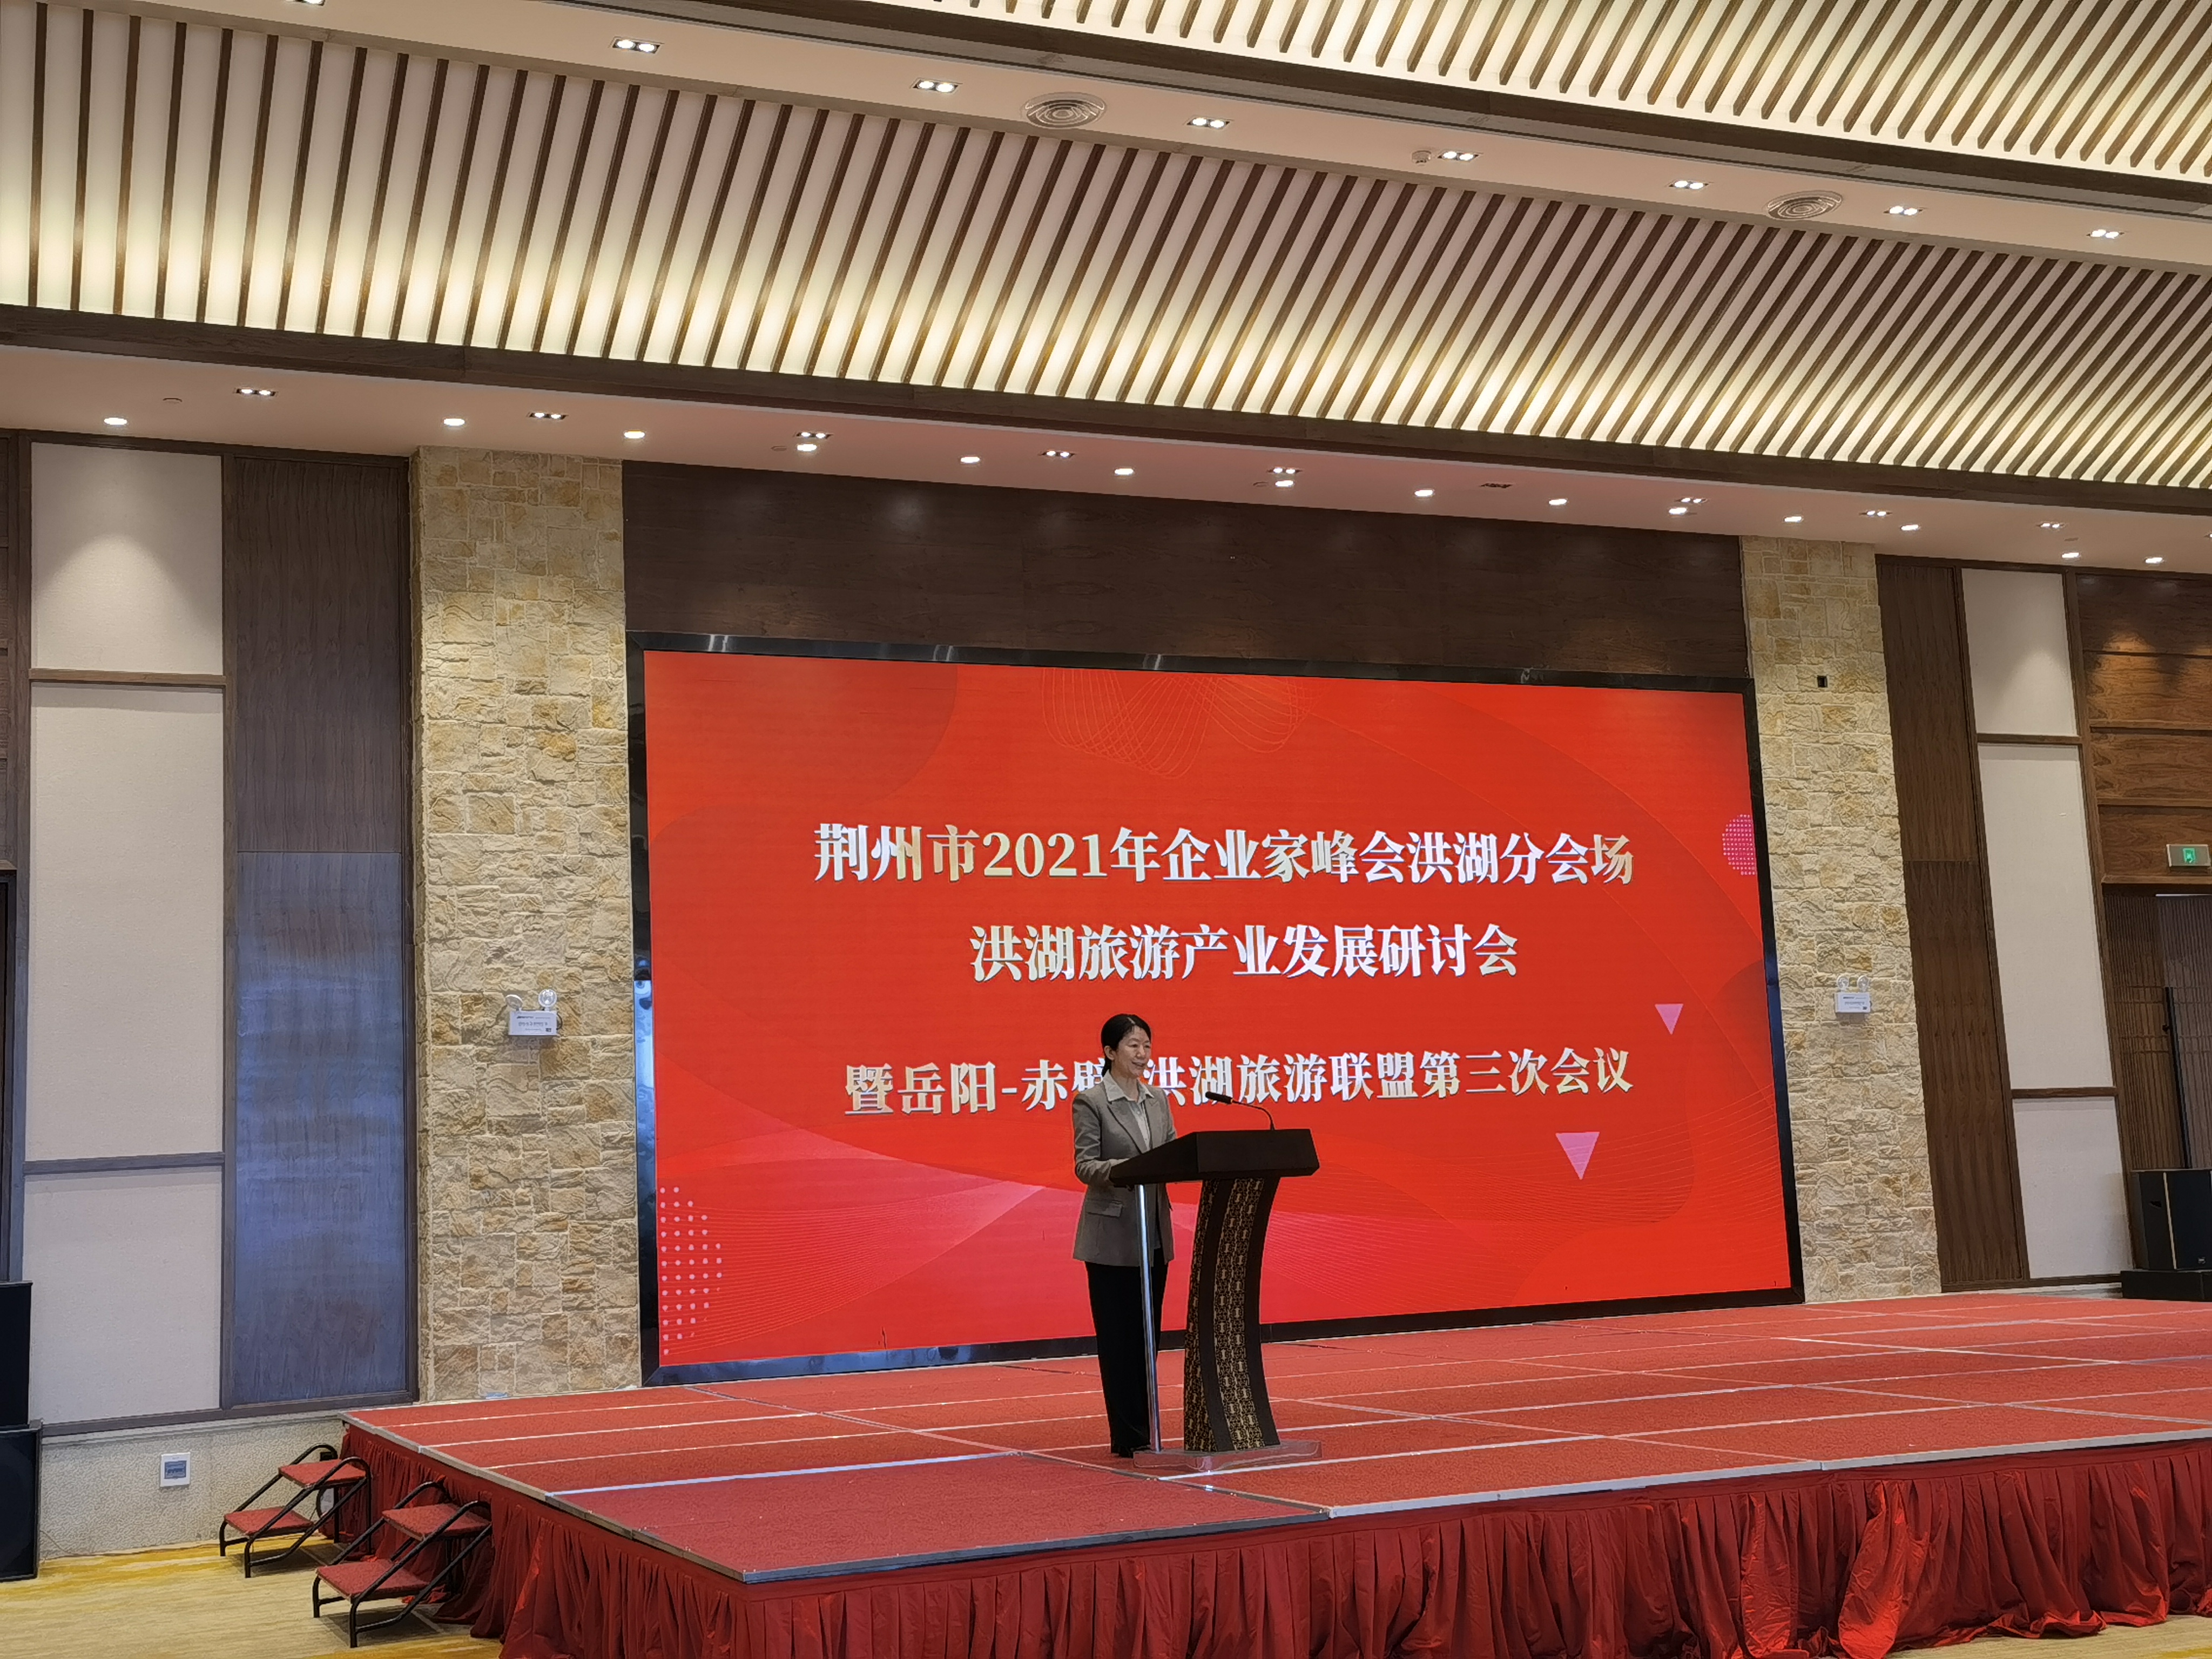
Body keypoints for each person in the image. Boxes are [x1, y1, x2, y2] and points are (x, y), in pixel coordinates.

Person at [1071, 1012, 1177, 1457]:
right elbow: (1085, 1165)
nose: (1142, 1054)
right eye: (1133, 1045)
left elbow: (1173, 1152)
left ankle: (1147, 1429)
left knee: (1148, 1338)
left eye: (1147, 1045)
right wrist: (1131, 1169)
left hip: (1153, 1233)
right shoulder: (1092, 1101)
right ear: (1110, 1052)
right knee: (1120, 1340)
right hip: (1112, 1238)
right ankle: (1129, 1436)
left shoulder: (1158, 1099)